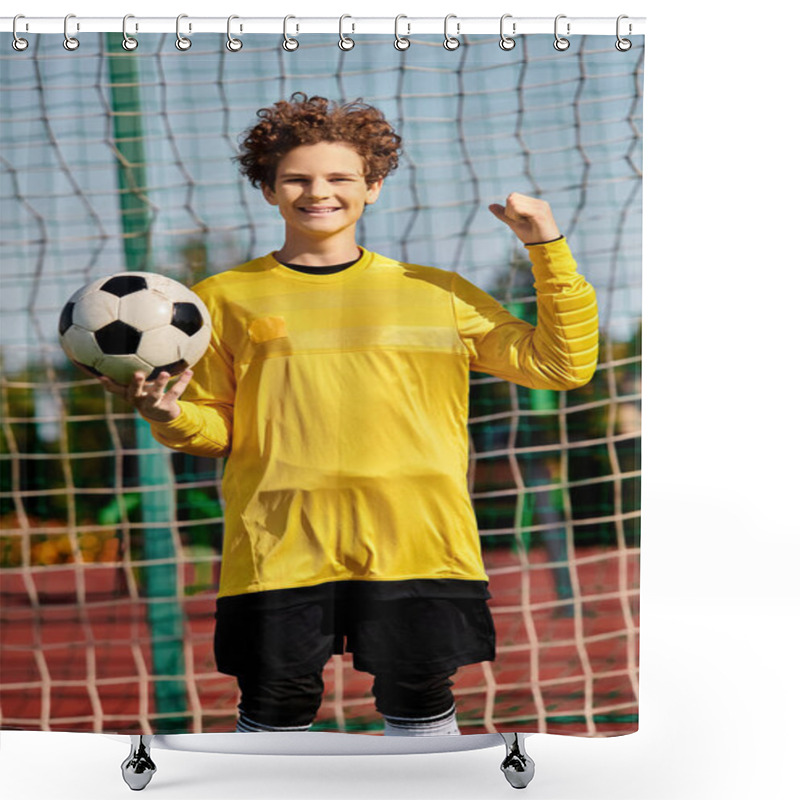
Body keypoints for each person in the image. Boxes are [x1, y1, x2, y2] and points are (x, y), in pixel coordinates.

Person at [98, 93, 599, 737]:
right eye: (297, 179)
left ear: (374, 187)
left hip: (418, 541)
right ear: (269, 191)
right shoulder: (223, 299)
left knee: (418, 714)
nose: (319, 193)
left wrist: (547, 248)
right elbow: (221, 431)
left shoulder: (437, 292)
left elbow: (562, 366)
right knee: (275, 715)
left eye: (340, 178)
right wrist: (168, 416)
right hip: (278, 544)